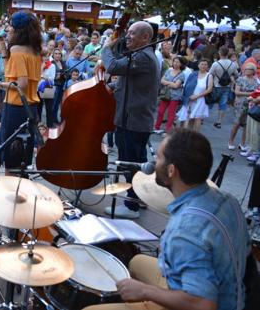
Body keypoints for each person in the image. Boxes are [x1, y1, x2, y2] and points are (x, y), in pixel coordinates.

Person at [85, 129, 250, 310]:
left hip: (204, 302)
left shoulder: (185, 231)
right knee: (136, 262)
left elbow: (203, 305)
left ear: (171, 170)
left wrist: (146, 291)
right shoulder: (228, 200)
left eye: (159, 158)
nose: (154, 163)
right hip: (234, 293)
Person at [102, 21, 160, 218]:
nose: (127, 36)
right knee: (138, 161)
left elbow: (112, 66)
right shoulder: (139, 55)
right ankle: (139, 198)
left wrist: (106, 48)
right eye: (128, 32)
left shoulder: (143, 57)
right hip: (133, 118)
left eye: (132, 33)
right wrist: (112, 88)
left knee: (130, 163)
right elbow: (129, 83)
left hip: (133, 120)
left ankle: (131, 206)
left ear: (145, 37)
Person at [0, 11, 43, 171]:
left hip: (15, 107)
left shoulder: (18, 51)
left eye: (11, 26)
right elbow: (11, 73)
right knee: (22, 158)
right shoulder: (35, 50)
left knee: (11, 156)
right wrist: (3, 49)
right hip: (31, 108)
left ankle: (11, 192)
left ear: (18, 30)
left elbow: (21, 84)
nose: (8, 29)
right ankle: (20, 191)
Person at [229, 62, 259, 151]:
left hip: (251, 104)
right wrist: (251, 93)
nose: (246, 70)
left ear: (253, 71)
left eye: (248, 69)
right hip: (240, 104)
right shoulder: (240, 79)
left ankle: (242, 143)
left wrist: (252, 96)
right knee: (236, 123)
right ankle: (230, 142)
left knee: (246, 124)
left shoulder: (256, 81)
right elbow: (237, 92)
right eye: (245, 69)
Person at [178, 59, 213, 131]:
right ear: (198, 65)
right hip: (190, 98)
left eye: (205, 64)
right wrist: (187, 97)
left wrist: (197, 96)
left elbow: (209, 89)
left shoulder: (209, 75)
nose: (203, 66)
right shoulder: (193, 74)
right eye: (202, 64)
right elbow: (187, 85)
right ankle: (188, 134)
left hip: (201, 99)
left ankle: (195, 135)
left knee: (197, 118)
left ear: (208, 66)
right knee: (188, 117)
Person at [154, 56, 185, 133]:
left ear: (181, 64)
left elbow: (176, 86)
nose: (175, 63)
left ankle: (168, 131)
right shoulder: (168, 70)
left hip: (175, 96)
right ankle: (156, 128)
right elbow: (161, 80)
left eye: (177, 62)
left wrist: (167, 83)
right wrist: (171, 83)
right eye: (174, 61)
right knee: (160, 111)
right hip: (165, 95)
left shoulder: (182, 74)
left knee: (171, 114)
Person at [209, 46, 238, 128]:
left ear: (219, 53)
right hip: (227, 86)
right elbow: (236, 74)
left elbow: (210, 74)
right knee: (223, 104)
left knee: (210, 101)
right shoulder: (233, 64)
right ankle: (219, 121)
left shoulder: (216, 64)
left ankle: (201, 118)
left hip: (216, 85)